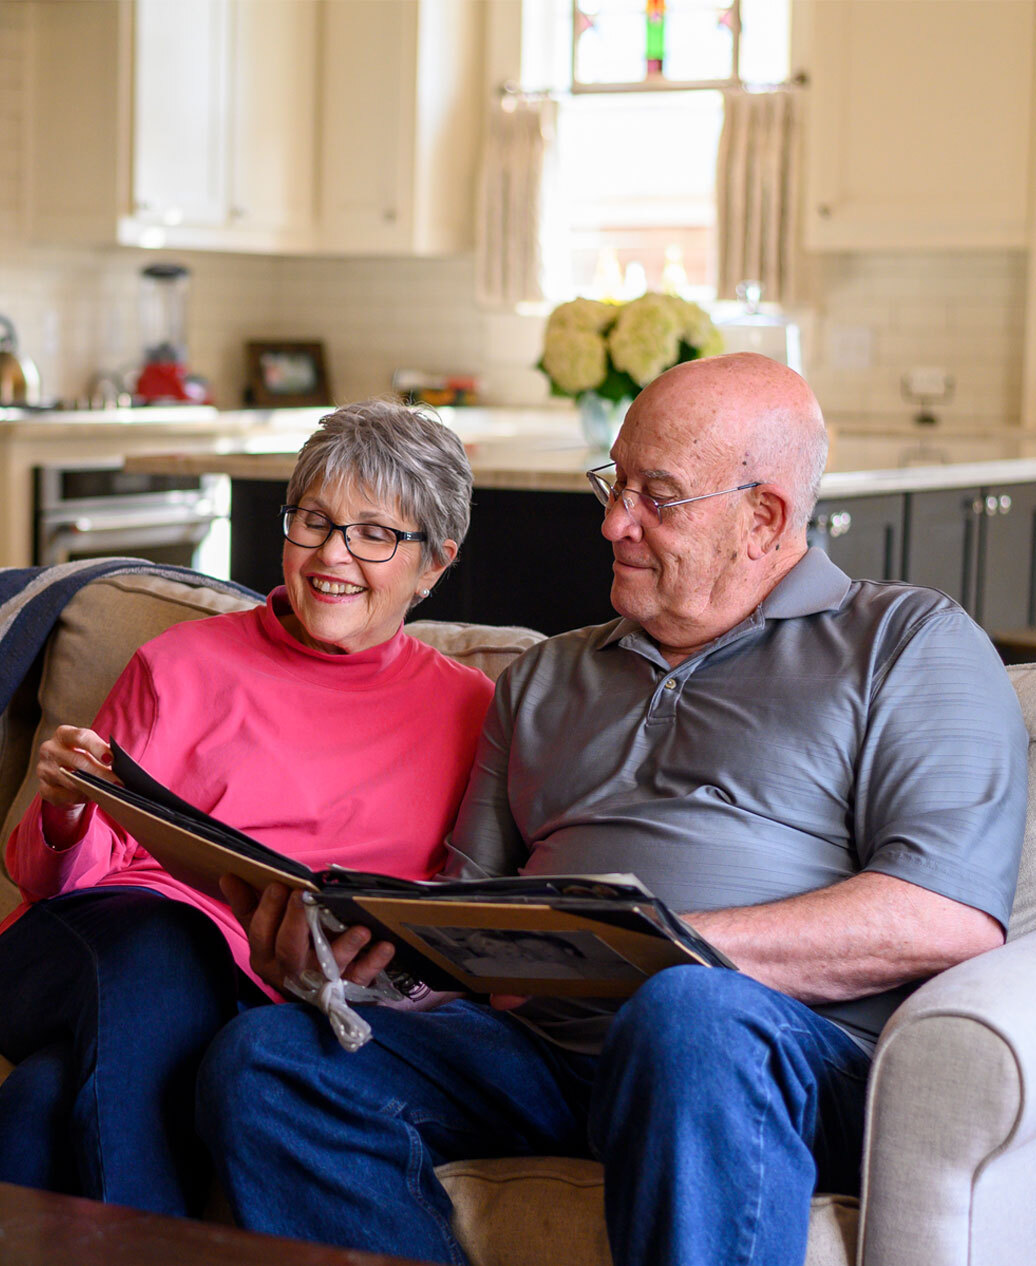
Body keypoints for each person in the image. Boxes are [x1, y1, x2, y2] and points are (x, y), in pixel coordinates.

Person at [197, 353, 1028, 1266]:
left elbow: (945, 916)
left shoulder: (906, 644)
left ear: (765, 518)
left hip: (772, 1054)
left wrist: (657, 948)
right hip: (545, 1052)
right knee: (269, 1059)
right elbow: (455, 930)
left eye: (656, 498)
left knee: (687, 1015)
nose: (612, 524)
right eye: (614, 484)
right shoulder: (549, 674)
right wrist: (348, 967)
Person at [0, 399, 498, 1216]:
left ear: (433, 564)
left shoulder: (471, 711)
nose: (333, 555)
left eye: (375, 534)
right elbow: (48, 882)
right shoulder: (177, 664)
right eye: (313, 521)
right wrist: (66, 811)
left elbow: (450, 922)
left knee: (39, 1104)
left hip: (261, 998)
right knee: (163, 943)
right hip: (89, 954)